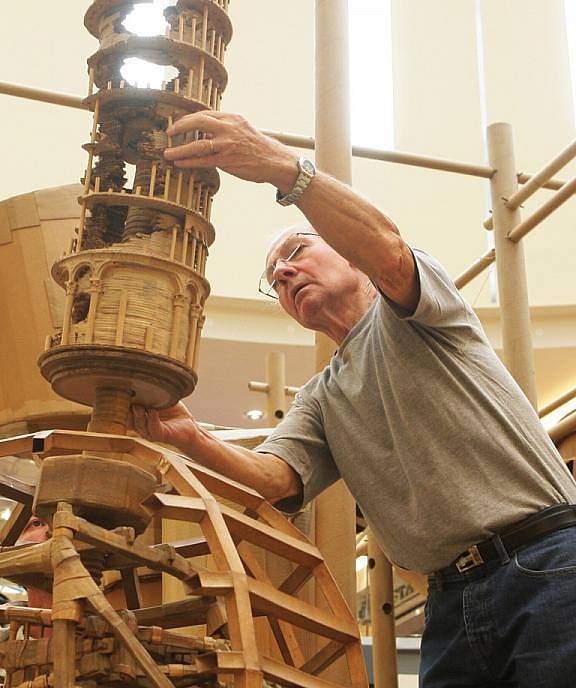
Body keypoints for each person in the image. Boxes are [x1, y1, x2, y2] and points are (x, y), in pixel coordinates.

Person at [132, 111, 576, 687]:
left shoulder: (414, 312)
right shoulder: (322, 396)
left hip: (545, 563)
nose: (285, 272)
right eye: (274, 277)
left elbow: (388, 250)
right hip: (451, 599)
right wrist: (191, 438)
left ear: (345, 252)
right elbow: (274, 479)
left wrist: (276, 164)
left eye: (296, 250)